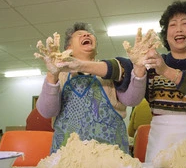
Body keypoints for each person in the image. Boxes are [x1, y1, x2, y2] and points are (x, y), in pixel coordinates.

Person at [120, 0, 186, 162]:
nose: (179, 29)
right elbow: (132, 98)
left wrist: (166, 71)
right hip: (163, 145)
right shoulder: (153, 63)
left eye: (185, 23)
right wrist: (138, 68)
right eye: (173, 25)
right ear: (166, 34)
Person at [35, 22, 159, 154]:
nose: (86, 34)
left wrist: (139, 70)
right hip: (68, 157)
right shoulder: (59, 76)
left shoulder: (109, 71)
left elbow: (132, 100)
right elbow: (47, 112)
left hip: (110, 156)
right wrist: (51, 75)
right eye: (79, 35)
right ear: (68, 47)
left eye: (89, 34)